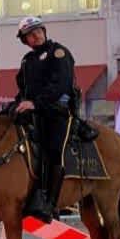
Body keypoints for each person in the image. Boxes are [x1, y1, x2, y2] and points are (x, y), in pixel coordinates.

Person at [13, 16, 75, 224]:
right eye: (30, 34)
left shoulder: (59, 53)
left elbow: (60, 86)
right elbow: (23, 91)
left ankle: (50, 203)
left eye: (38, 31)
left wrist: (35, 104)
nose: (36, 35)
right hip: (35, 113)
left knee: (52, 150)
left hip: (56, 112)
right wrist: (15, 106)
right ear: (25, 41)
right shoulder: (27, 61)